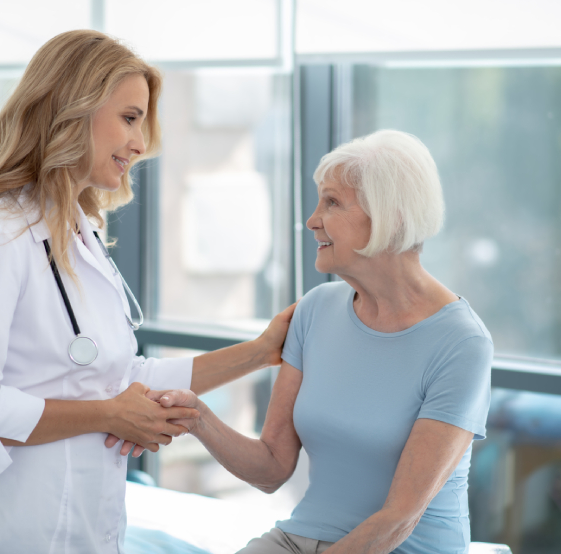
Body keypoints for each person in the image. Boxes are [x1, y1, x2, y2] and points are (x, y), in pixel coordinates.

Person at [0, 30, 295, 554]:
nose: (141, 144)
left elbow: (120, 377)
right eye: (129, 117)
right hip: (13, 527)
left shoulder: (80, 232)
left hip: (90, 522)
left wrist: (259, 353)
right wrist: (108, 414)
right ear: (72, 109)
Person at [145, 130, 494, 554]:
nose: (312, 220)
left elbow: (398, 519)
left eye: (331, 202)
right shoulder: (315, 310)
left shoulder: (461, 342)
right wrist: (199, 417)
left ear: (391, 216)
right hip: (299, 538)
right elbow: (272, 467)